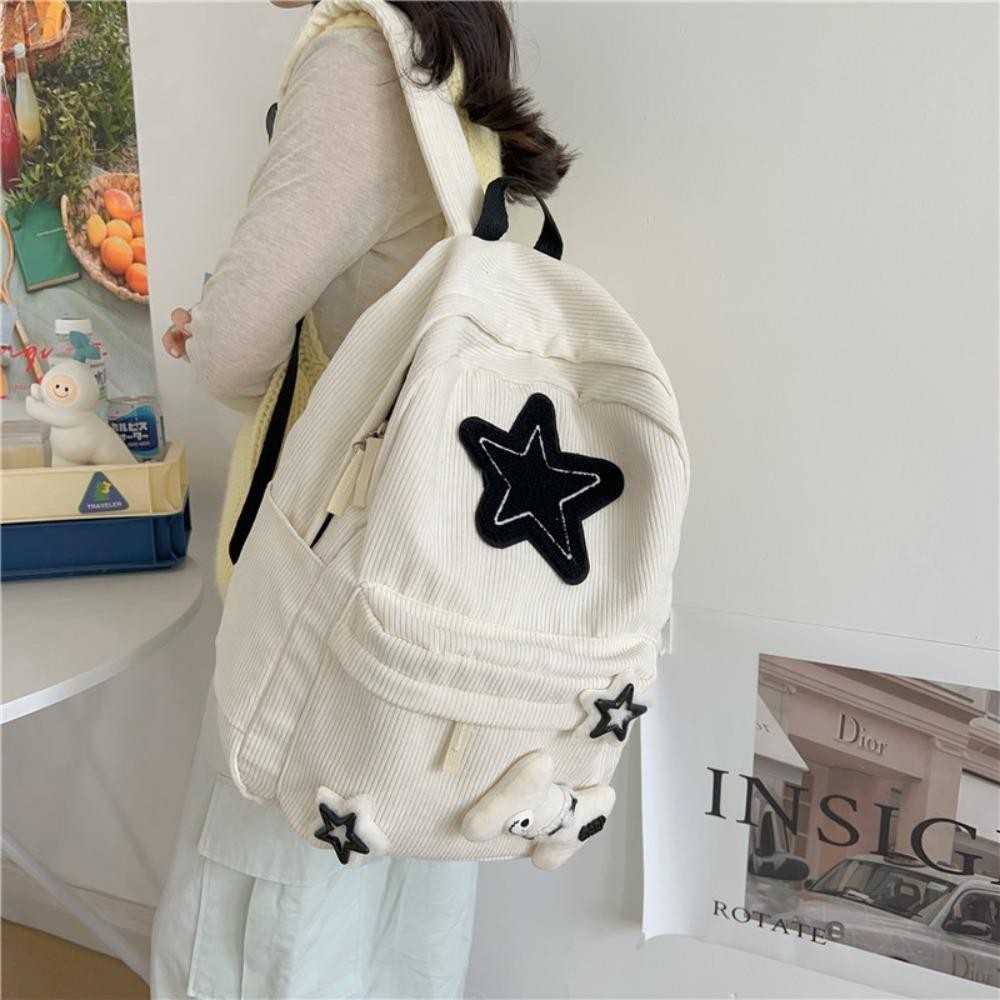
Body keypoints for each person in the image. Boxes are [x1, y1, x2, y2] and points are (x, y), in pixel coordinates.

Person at [153, 2, 574, 996]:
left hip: (319, 590)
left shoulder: (355, 60)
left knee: (267, 918)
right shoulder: (449, 54)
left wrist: (227, 328)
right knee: (393, 922)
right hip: (432, 583)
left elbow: (231, 353)